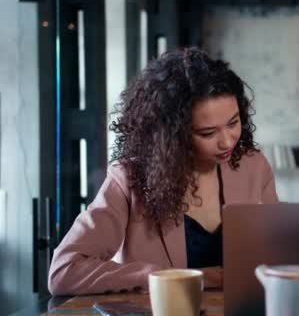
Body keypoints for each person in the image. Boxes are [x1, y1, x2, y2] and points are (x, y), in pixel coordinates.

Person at [48, 48, 278, 295]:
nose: (227, 142)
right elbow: (64, 272)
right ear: (171, 135)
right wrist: (182, 278)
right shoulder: (129, 180)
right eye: (207, 133)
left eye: (233, 123)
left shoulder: (254, 166)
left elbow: (277, 252)